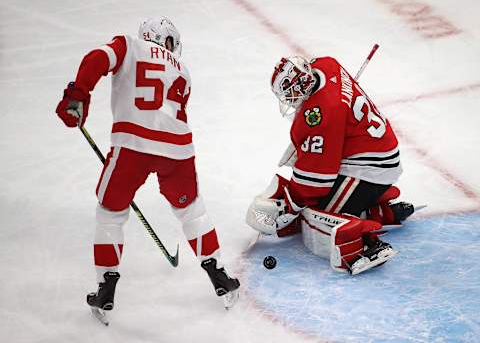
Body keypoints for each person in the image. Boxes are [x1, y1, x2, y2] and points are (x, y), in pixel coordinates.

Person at [55, 17, 240, 314]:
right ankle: (219, 274)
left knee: (110, 213)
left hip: (132, 146)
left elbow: (96, 59)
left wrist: (79, 94)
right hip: (178, 151)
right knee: (193, 211)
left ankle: (106, 287)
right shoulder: (183, 70)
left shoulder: (129, 44)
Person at [246, 55, 417, 275]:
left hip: (370, 168)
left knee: (315, 216)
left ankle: (365, 246)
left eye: (290, 93)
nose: (289, 99)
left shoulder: (319, 115)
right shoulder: (326, 64)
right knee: (312, 204)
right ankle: (376, 211)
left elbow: (316, 181)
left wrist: (290, 205)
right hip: (375, 151)